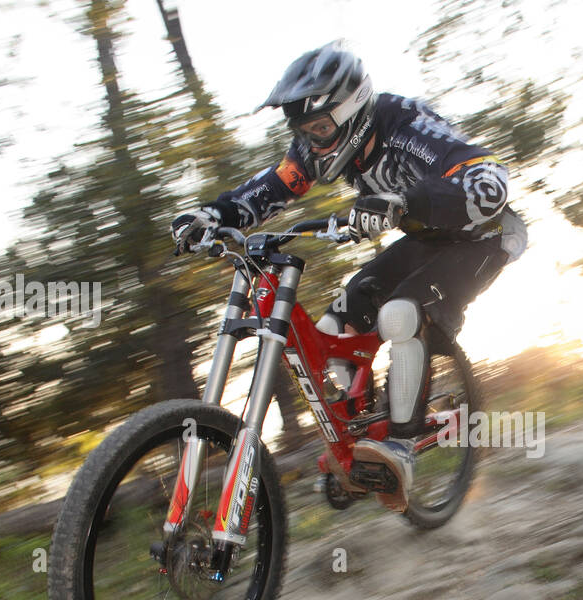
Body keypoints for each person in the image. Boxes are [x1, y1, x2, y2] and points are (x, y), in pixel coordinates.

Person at [171, 40, 527, 508]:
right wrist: (213, 216)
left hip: (484, 235)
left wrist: (405, 202)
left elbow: (489, 180)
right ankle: (360, 440)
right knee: (333, 328)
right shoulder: (315, 149)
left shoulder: (404, 125)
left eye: (319, 126)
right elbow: (270, 187)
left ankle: (400, 443)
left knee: (401, 312)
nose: (312, 140)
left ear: (353, 108)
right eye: (303, 129)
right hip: (424, 239)